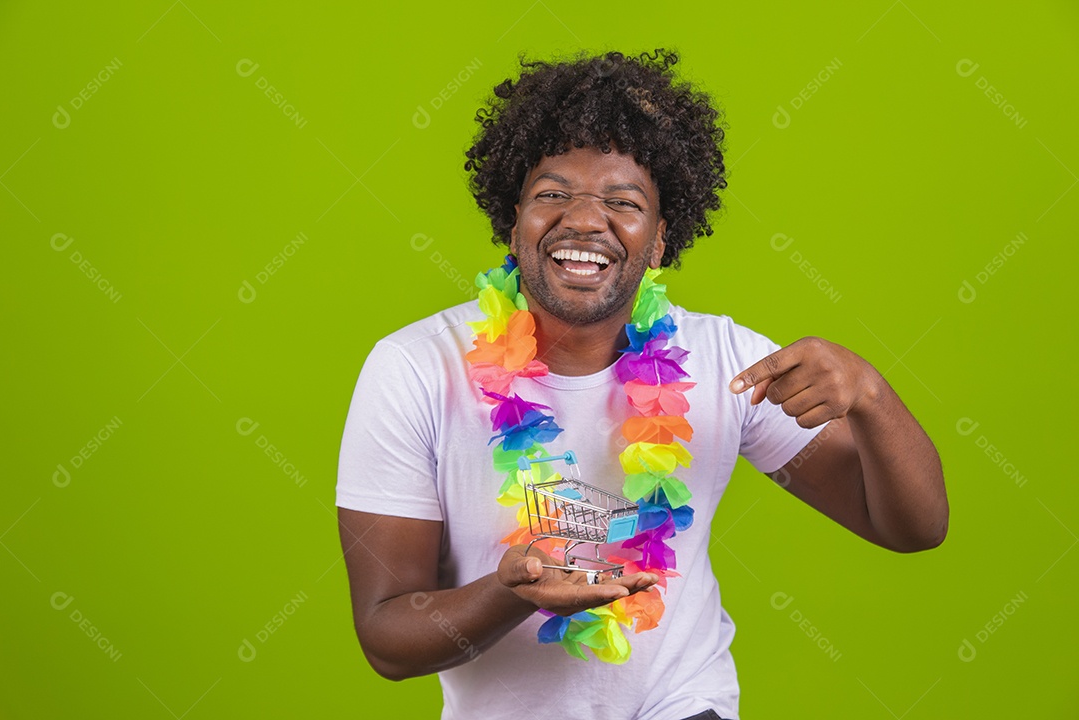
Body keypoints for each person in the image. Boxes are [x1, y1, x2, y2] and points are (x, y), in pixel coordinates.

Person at [335, 49, 948, 720]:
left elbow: (912, 526)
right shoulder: (415, 369)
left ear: (659, 242)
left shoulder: (721, 359)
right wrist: (515, 591)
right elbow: (388, 638)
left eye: (622, 202)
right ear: (514, 224)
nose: (585, 219)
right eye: (552, 193)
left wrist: (872, 398)